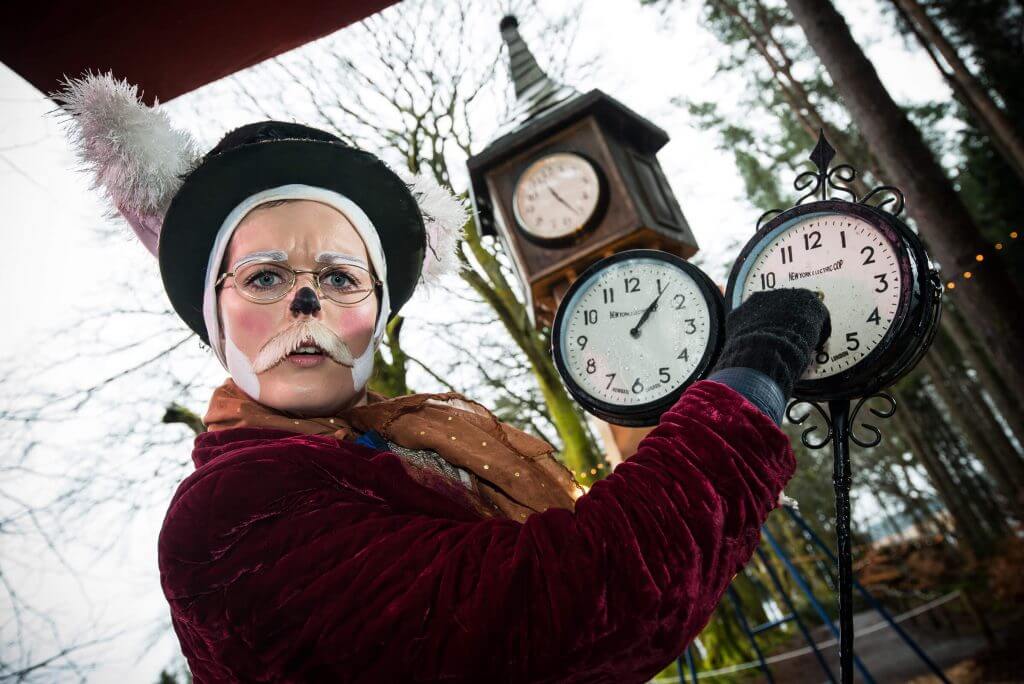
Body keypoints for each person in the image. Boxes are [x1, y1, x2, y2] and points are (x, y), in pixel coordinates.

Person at [57, 73, 829, 683]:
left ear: (378, 314)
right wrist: (747, 385)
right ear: (213, 316)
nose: (304, 302)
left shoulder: (396, 449)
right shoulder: (229, 517)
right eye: (263, 278)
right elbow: (569, 606)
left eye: (339, 276)